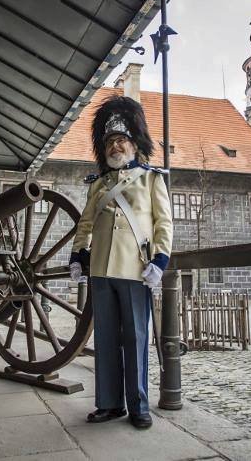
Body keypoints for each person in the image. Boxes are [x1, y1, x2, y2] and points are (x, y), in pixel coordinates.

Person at [69, 96, 173, 430]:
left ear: (133, 144)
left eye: (121, 140)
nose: (115, 146)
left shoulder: (151, 179)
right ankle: (109, 404)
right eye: (110, 142)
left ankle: (139, 405)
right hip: (100, 269)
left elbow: (163, 224)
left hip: (134, 269)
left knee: (136, 340)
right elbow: (85, 223)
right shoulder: (98, 184)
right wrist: (78, 255)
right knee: (107, 340)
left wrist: (160, 260)